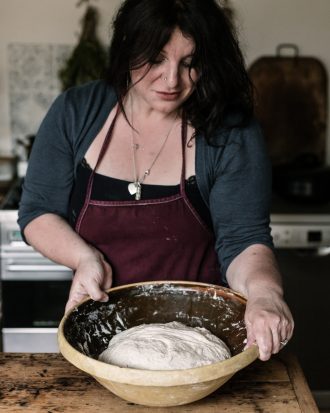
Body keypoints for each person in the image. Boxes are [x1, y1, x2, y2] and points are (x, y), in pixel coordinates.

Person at [18, 0, 294, 361]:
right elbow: (38, 211)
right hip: (98, 335)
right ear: (127, 49)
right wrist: (84, 258)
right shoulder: (76, 112)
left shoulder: (231, 132)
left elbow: (243, 239)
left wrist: (264, 293)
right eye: (155, 58)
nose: (172, 80)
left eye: (190, 63)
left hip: (203, 336)